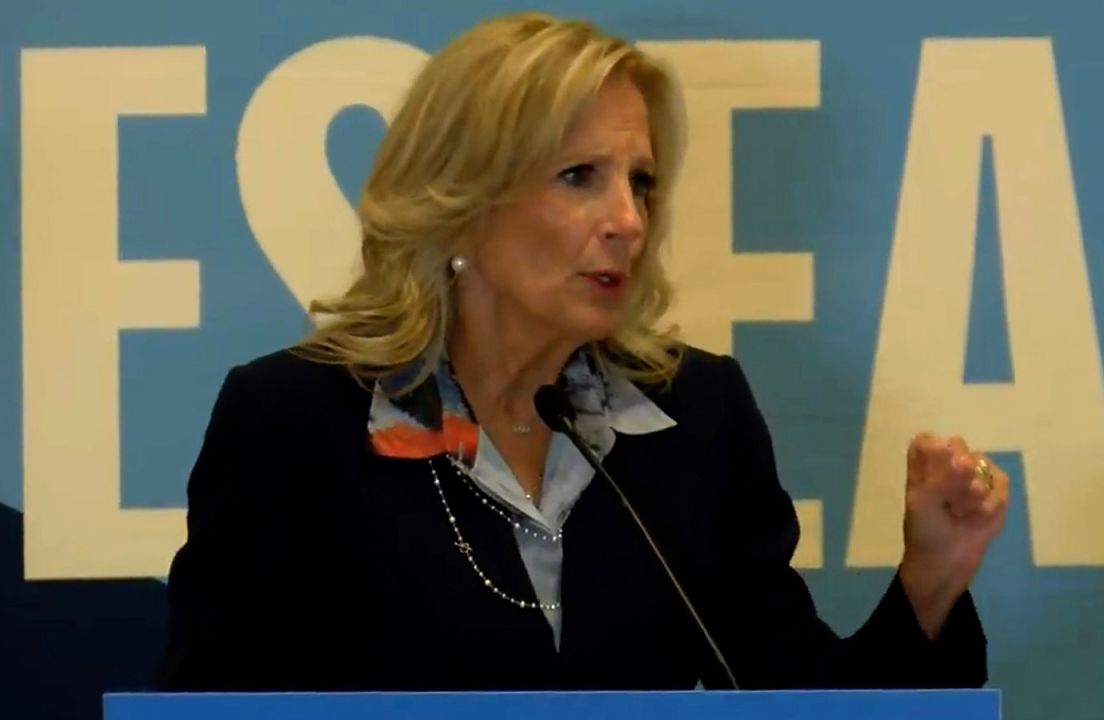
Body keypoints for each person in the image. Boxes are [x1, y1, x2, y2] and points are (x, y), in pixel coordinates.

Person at [158, 11, 1009, 692]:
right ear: (461, 199)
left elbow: (793, 702)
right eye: (580, 177)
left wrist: (931, 578)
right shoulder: (297, 425)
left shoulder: (693, 419)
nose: (629, 221)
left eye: (640, 181)